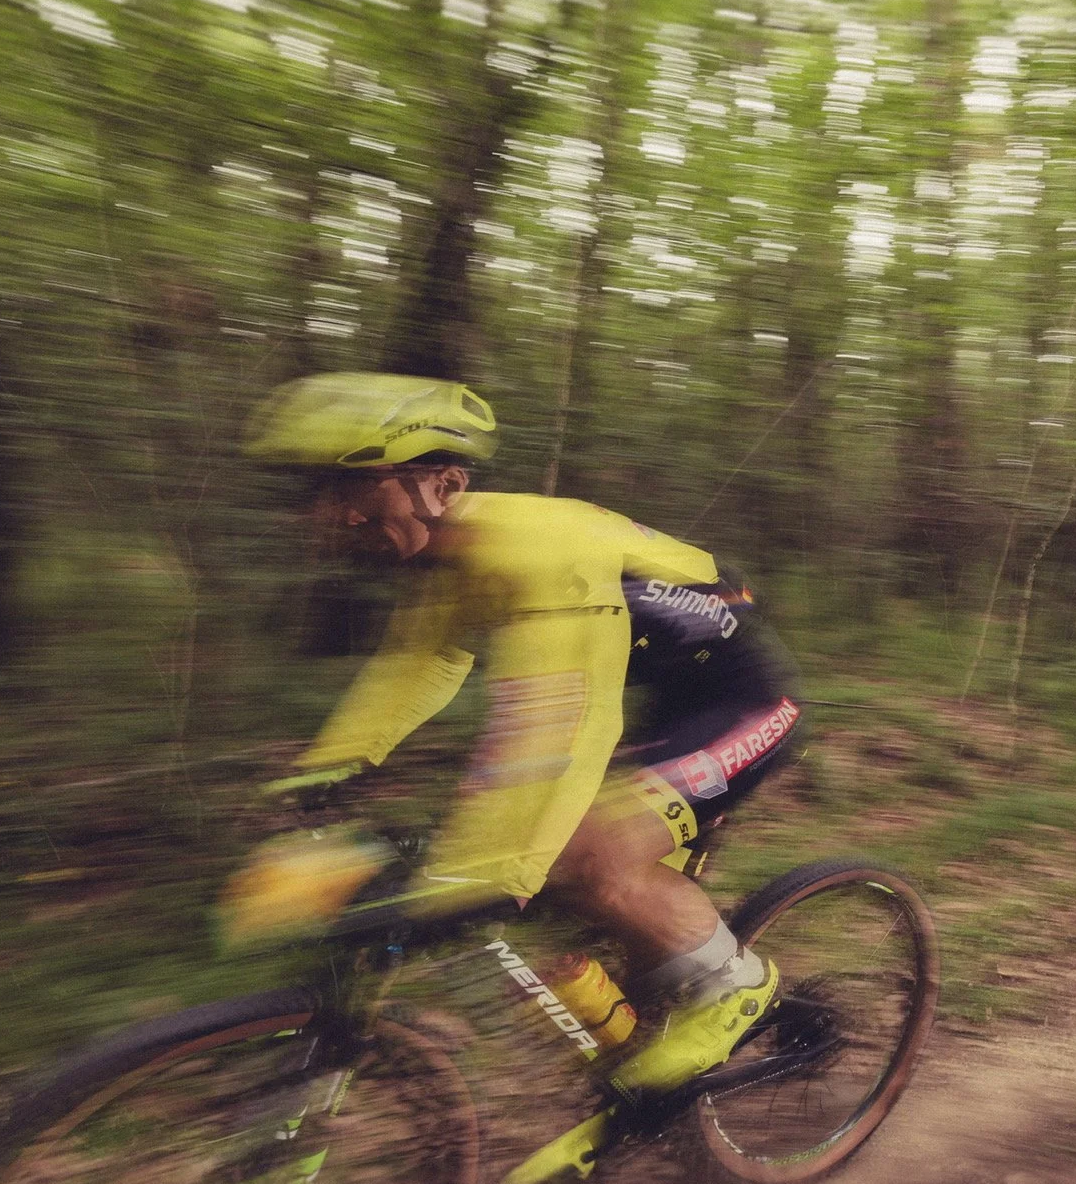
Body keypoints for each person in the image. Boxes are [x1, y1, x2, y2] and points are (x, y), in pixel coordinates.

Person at [224, 372, 801, 1102]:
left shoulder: (537, 553)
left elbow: (559, 723)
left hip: (745, 698)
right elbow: (418, 665)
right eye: (322, 494)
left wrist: (480, 876)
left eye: (355, 489)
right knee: (558, 878)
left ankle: (736, 991)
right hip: (671, 696)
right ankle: (649, 1024)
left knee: (586, 851)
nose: (335, 516)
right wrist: (321, 773)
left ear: (442, 483)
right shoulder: (451, 560)